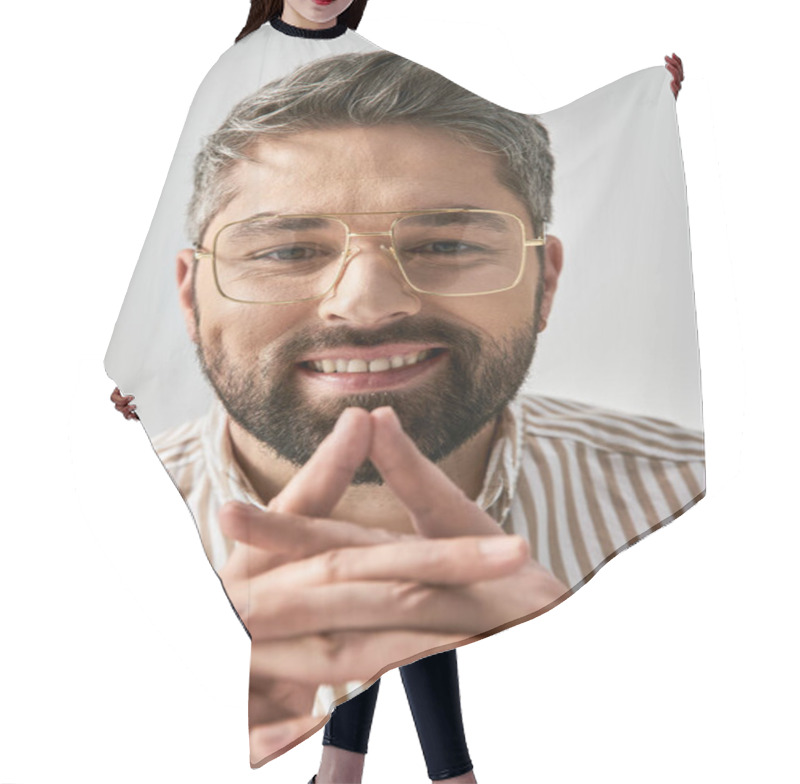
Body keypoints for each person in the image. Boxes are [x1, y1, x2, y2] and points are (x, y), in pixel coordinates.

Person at [142, 49, 705, 774]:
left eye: (445, 243)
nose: (368, 304)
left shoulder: (645, 474)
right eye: (287, 250)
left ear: (545, 280)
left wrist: (643, 104)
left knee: (384, 610)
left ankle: (354, 769)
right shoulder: (164, 490)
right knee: (395, 609)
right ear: (190, 295)